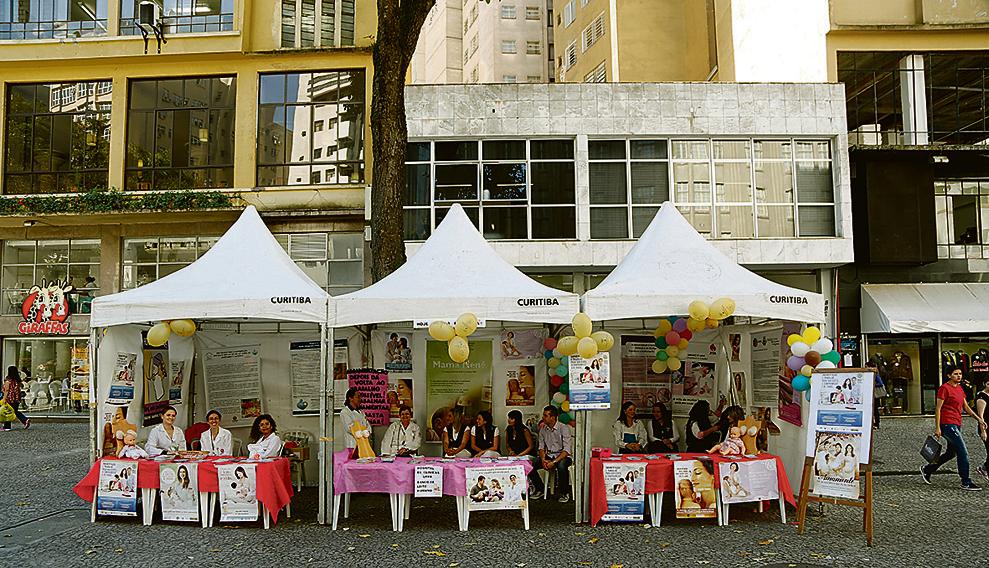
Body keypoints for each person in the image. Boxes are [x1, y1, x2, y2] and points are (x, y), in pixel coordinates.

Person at [921, 365, 987, 490]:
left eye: (960, 374)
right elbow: (938, 409)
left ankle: (927, 469)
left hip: (957, 423)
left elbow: (966, 407)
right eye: (956, 374)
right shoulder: (944, 388)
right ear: (949, 375)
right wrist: (937, 428)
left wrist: (979, 419)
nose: (959, 376)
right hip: (947, 424)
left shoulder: (960, 388)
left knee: (951, 453)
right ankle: (966, 481)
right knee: (963, 451)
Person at [533, 405, 572, 502]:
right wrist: (543, 459)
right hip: (549, 455)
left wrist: (553, 462)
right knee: (531, 464)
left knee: (562, 465)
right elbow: (541, 447)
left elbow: (567, 450)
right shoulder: (543, 429)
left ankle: (564, 493)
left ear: (553, 417)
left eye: (545, 415)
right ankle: (540, 488)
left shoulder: (563, 428)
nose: (543, 417)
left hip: (563, 456)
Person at [1, 365, 29, 431]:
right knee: (15, 411)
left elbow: (6, 390)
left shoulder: (8, 381)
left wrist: (4, 399)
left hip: (9, 399)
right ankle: (25, 420)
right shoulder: (17, 381)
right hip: (16, 399)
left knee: (7, 412)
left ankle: (7, 427)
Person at [977, 377, 989, 481]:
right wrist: (983, 431)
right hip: (986, 428)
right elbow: (980, 417)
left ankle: (984, 468)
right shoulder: (982, 397)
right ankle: (984, 469)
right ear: (985, 384)